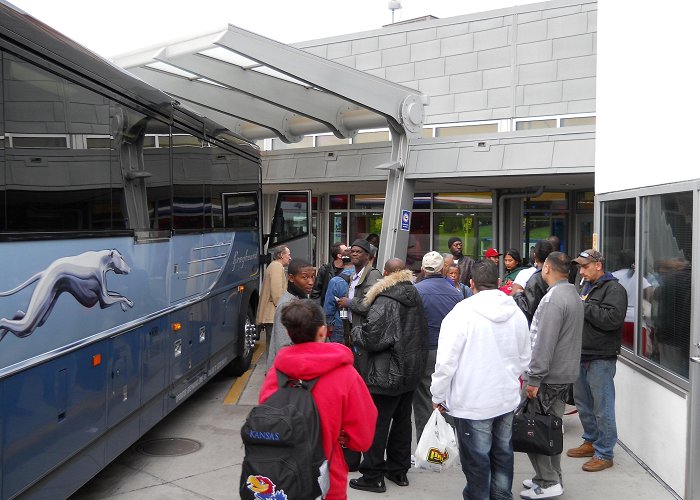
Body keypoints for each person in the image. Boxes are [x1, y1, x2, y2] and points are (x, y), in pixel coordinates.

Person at [431, 259, 531, 500]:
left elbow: (446, 363)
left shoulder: (460, 314)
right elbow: (525, 357)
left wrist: (437, 394)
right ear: (498, 283)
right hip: (505, 399)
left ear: (471, 283)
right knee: (503, 455)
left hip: (471, 402)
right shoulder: (515, 313)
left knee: (476, 463)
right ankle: (501, 496)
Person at [259, 300, 378, 500]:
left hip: (280, 478)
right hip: (326, 479)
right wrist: (341, 434)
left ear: (289, 333)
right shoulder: (345, 375)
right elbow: (362, 437)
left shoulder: (276, 373)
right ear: (322, 331)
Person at [349, 258, 428, 493]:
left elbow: (374, 338)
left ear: (385, 273)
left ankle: (373, 476)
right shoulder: (414, 295)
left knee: (376, 424)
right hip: (410, 372)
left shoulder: (384, 299)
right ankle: (399, 471)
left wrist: (355, 332)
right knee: (403, 422)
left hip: (385, 375)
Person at [520, 252, 584, 499]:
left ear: (546, 268)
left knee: (535, 430)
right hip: (562, 374)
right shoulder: (571, 294)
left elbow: (544, 343)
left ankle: (548, 481)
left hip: (547, 377)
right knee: (550, 429)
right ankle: (548, 478)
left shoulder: (554, 300)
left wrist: (533, 379)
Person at [566, 249, 627, 472]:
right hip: (581, 354)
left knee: (603, 407)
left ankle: (604, 452)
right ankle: (591, 441)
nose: (581, 271)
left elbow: (612, 319)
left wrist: (584, 306)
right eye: (580, 267)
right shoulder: (585, 286)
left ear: (598, 265)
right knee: (584, 404)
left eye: (585, 266)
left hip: (601, 357)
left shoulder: (614, 289)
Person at [413, 251, 463, 441]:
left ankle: (426, 446)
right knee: (448, 396)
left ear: (423, 269)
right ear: (443, 269)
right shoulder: (455, 294)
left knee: (423, 399)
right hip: (449, 350)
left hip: (424, 350)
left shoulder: (416, 290)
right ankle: (449, 442)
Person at [266, 259, 315, 367]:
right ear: (291, 278)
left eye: (312, 277)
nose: (311, 282)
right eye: (305, 277)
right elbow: (283, 348)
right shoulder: (286, 306)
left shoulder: (302, 299)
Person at [336, 239, 383, 334]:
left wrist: (348, 302)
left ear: (367, 256)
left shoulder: (373, 274)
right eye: (352, 251)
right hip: (352, 330)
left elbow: (368, 305)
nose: (354, 254)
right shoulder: (353, 276)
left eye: (358, 252)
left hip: (366, 332)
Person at [611, 249, 653, 349]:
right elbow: (650, 291)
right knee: (638, 352)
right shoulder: (638, 277)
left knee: (619, 352)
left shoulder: (613, 276)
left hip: (618, 318)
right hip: (636, 319)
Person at [255, 245, 291, 355]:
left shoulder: (274, 266)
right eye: (288, 254)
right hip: (274, 313)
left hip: (271, 313)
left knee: (271, 345)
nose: (290, 257)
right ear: (281, 255)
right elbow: (277, 294)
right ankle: (274, 370)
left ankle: (270, 370)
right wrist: (284, 310)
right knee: (276, 346)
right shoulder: (276, 267)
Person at [511, 240, 555, 326]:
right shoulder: (558, 274)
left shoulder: (531, 276)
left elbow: (527, 310)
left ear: (534, 255)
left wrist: (518, 295)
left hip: (534, 326)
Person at [323, 248, 353, 343]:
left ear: (342, 261)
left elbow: (329, 306)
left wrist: (330, 325)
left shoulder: (335, 281)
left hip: (339, 323)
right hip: (358, 324)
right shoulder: (361, 279)